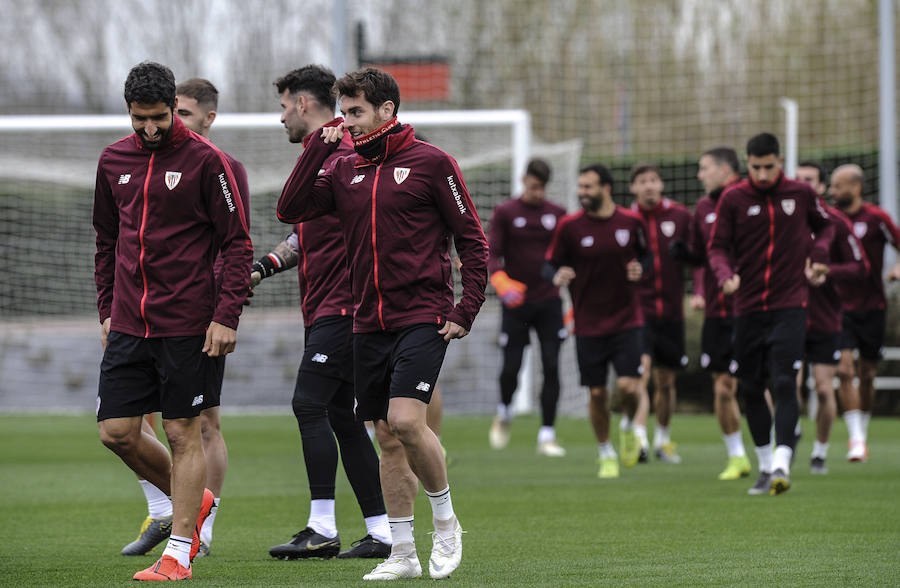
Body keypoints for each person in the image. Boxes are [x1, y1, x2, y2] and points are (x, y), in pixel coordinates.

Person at [276, 67, 488, 580]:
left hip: (423, 315)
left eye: (356, 113)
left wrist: (466, 308)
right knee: (385, 437)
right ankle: (401, 553)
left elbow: (473, 241)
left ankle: (445, 524)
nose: (346, 122)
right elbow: (290, 209)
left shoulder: (433, 163)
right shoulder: (343, 166)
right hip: (365, 320)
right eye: (343, 113)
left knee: (407, 422)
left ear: (387, 111)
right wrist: (319, 151)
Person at [94, 62, 253, 580]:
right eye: (140, 119)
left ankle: (178, 553)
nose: (149, 129)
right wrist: (105, 310)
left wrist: (226, 316)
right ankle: (195, 499)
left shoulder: (207, 162)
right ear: (129, 111)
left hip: (188, 323)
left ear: (173, 108)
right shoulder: (113, 159)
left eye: (159, 117)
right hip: (128, 323)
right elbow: (105, 241)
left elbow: (237, 244)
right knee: (115, 431)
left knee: (183, 431)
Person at [251, 65, 391, 561]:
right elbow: (300, 230)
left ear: (304, 105)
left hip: (346, 307)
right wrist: (264, 268)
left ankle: (322, 526)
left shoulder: (345, 155)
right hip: (327, 308)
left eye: (284, 106)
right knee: (342, 415)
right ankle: (382, 530)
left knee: (308, 403)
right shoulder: (325, 160)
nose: (282, 117)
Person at [708, 132, 833, 496]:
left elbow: (827, 227)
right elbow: (717, 247)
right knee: (749, 387)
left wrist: (820, 255)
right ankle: (765, 465)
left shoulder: (801, 193)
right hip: (746, 307)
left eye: (769, 166)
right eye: (755, 167)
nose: (762, 175)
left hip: (790, 304)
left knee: (784, 382)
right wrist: (723, 274)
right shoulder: (733, 198)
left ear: (780, 162)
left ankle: (781, 459)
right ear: (747, 164)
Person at [545, 163, 649, 479]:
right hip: (588, 324)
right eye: (580, 186)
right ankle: (606, 452)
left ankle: (630, 426)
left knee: (629, 387)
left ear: (606, 188)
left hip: (628, 319)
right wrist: (557, 274)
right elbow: (549, 265)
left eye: (588, 187)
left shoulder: (631, 222)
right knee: (597, 394)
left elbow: (648, 257)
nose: (582, 192)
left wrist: (643, 269)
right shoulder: (569, 226)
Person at [487, 158, 568, 456]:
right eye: (534, 186)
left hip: (549, 301)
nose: (538, 192)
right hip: (516, 303)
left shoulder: (558, 214)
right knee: (511, 366)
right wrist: (501, 281)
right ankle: (505, 410)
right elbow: (492, 253)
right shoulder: (506, 212)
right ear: (524, 181)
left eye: (542, 187)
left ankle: (547, 434)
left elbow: (566, 257)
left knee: (551, 365)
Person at [796, 161, 869, 474]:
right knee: (787, 384)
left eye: (809, 180)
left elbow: (860, 268)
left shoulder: (836, 222)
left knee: (825, 388)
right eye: (798, 179)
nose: (804, 184)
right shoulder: (784, 220)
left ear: (823, 187)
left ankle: (819, 452)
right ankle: (785, 440)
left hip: (826, 319)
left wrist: (829, 271)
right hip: (789, 316)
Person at [830, 164, 900, 462]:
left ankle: (863, 428)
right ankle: (856, 439)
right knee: (844, 370)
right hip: (838, 306)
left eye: (839, 186)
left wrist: (896, 269)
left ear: (856, 187)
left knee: (867, 374)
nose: (834, 192)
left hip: (872, 306)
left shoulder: (876, 218)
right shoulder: (829, 219)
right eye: (831, 186)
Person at [690, 147, 751, 480]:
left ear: (726, 170)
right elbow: (701, 257)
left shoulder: (748, 199)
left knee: (754, 383)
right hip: (717, 312)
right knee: (722, 386)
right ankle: (736, 456)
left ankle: (768, 450)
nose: (700, 175)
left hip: (751, 309)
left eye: (704, 168)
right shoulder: (701, 208)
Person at [627, 164, 692, 465]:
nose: (649, 186)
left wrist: (701, 291)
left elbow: (699, 257)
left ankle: (663, 440)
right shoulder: (626, 221)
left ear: (662, 184)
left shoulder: (681, 217)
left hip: (672, 311)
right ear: (633, 188)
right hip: (638, 311)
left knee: (666, 382)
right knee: (641, 374)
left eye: (653, 180)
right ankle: (638, 438)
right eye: (642, 182)